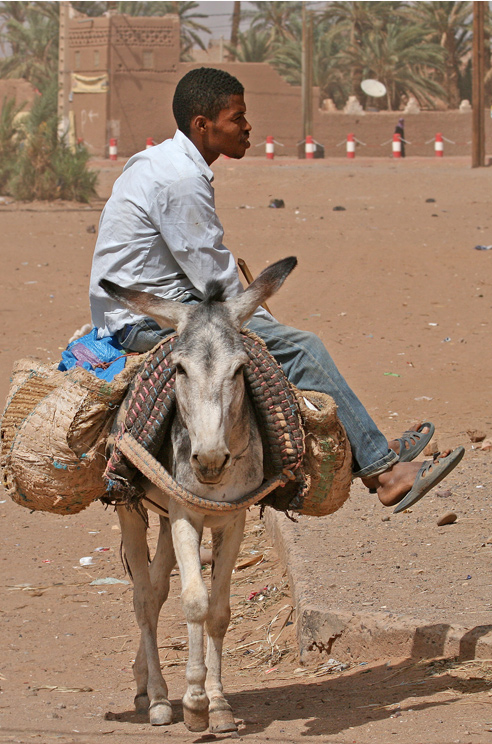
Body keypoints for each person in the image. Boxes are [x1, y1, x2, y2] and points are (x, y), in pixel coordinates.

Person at [89, 67, 463, 513]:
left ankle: (369, 443)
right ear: (202, 125)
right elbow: (213, 277)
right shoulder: (180, 180)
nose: (247, 127)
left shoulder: (165, 163)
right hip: (144, 321)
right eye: (237, 117)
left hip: (154, 308)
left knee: (282, 341)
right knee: (300, 348)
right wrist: (268, 328)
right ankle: (383, 472)